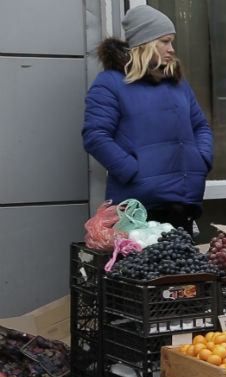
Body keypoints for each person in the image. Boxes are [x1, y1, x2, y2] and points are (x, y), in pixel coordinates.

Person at [82, 5, 213, 232]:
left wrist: (201, 159)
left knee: (185, 267)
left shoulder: (177, 84)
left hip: (182, 203)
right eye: (165, 41)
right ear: (145, 43)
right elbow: (95, 136)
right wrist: (133, 171)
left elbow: (200, 126)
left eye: (172, 41)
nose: (171, 49)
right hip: (137, 210)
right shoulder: (110, 83)